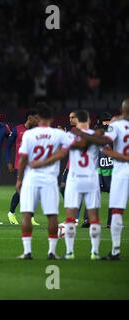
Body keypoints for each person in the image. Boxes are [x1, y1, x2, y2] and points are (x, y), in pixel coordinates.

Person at [31, 110, 102, 260]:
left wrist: (43, 162)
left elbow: (61, 154)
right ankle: (95, 252)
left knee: (70, 217)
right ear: (88, 120)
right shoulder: (96, 136)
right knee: (94, 217)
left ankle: (70, 252)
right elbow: (107, 150)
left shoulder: (69, 136)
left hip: (75, 179)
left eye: (72, 118)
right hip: (91, 179)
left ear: (78, 120)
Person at [70, 99, 129, 260]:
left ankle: (115, 251)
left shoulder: (117, 126)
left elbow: (104, 141)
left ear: (123, 111)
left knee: (117, 210)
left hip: (122, 172)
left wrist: (83, 134)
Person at [16, 103, 72, 260]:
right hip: (50, 179)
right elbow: (66, 151)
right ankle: (52, 252)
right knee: (52, 215)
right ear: (52, 118)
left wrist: (20, 179)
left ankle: (27, 252)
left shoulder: (29, 135)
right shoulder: (58, 134)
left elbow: (23, 159)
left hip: (31, 178)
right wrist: (51, 159)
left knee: (27, 214)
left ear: (38, 118)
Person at [5, 109, 40, 226]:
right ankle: (11, 213)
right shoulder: (16, 130)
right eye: (36, 119)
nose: (38, 121)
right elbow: (8, 147)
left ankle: (30, 217)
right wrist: (8, 161)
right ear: (30, 118)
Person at [94, 112, 113, 228]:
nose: (107, 122)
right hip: (101, 169)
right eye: (106, 120)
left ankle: (110, 223)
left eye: (108, 120)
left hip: (108, 169)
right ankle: (89, 220)